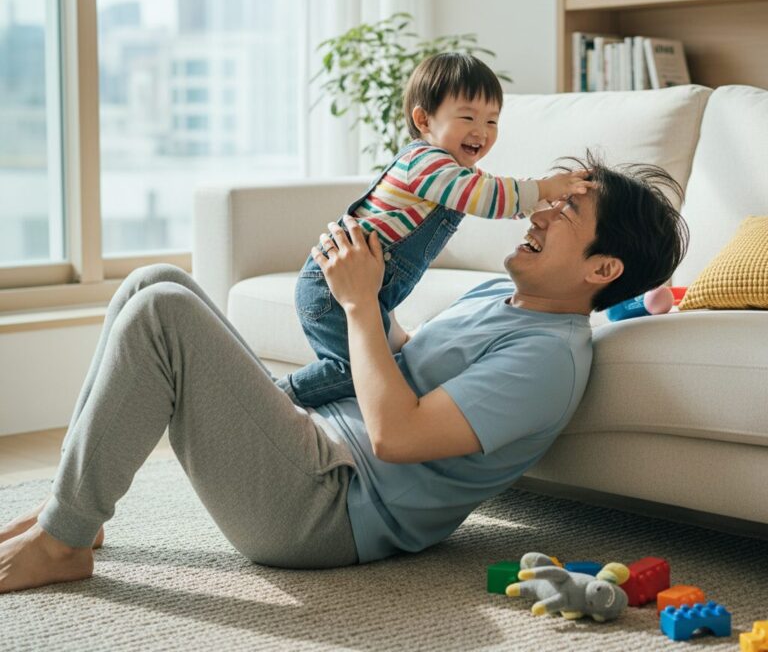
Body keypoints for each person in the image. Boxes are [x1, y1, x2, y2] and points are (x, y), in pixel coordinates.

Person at [0, 151, 688, 593]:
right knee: (155, 281)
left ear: (603, 270)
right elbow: (412, 362)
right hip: (316, 446)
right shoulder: (502, 296)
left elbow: (397, 435)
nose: (540, 208)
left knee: (160, 317)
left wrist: (361, 306)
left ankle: (62, 542)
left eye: (568, 209)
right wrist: (361, 283)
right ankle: (76, 513)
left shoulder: (549, 359)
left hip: (325, 511)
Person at [285, 52, 593, 407]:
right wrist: (546, 187)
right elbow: (490, 197)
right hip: (332, 289)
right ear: (423, 119)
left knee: (381, 369)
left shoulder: (455, 173)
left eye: (492, 122)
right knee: (360, 373)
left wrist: (542, 203)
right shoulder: (427, 164)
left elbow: (500, 196)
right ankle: (278, 397)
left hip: (366, 289)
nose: (482, 131)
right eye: (468, 117)